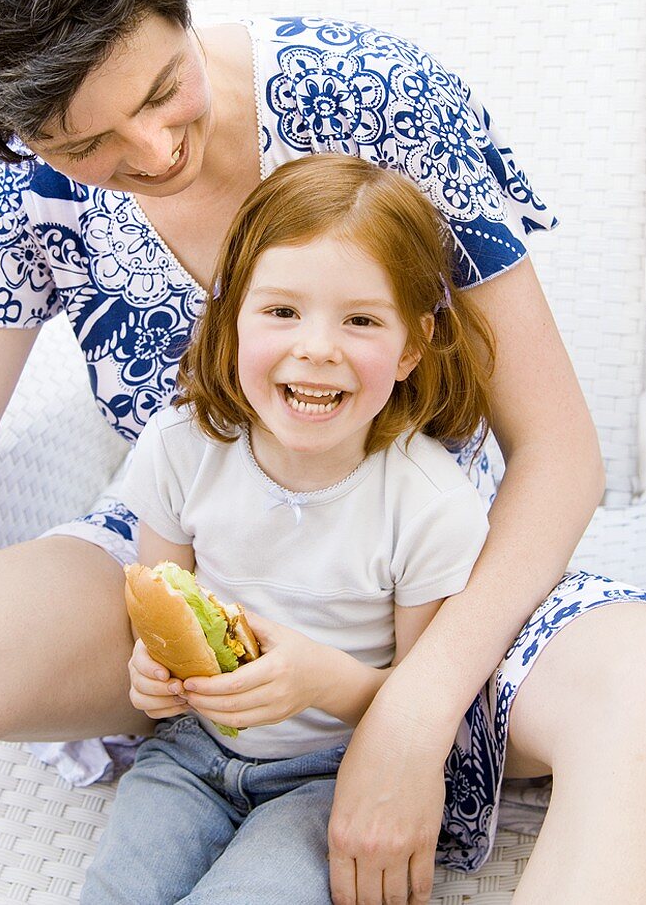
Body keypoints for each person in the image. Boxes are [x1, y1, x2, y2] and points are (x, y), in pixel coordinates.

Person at [0, 0, 643, 904]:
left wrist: (409, 707)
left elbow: (559, 450)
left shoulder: (371, 96)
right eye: (86, 145)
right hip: (191, 557)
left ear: (178, 3)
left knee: (636, 688)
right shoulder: (17, 177)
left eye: (164, 90)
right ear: (21, 137)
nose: (155, 148)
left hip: (427, 577)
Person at [80, 154, 495, 903]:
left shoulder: (429, 503)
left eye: (361, 320)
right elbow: (158, 598)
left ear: (410, 345)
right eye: (281, 311)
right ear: (233, 316)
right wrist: (153, 670)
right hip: (189, 755)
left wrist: (321, 680)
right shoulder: (181, 449)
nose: (316, 346)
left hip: (334, 774)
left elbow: (426, 702)